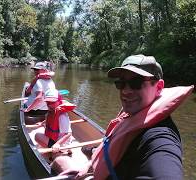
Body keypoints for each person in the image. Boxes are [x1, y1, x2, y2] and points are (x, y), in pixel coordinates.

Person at [60, 54, 194, 179]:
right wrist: (90, 166)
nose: (125, 91)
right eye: (121, 83)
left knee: (59, 161)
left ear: (158, 87)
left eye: (136, 83)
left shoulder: (160, 138)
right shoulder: (132, 113)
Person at [34, 89, 76, 153]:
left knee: (37, 136)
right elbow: (50, 119)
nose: (49, 105)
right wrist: (42, 123)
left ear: (59, 101)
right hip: (56, 138)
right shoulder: (53, 111)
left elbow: (69, 133)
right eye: (48, 102)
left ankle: (58, 152)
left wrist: (57, 144)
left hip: (61, 144)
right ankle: (65, 149)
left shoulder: (62, 116)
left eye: (52, 102)